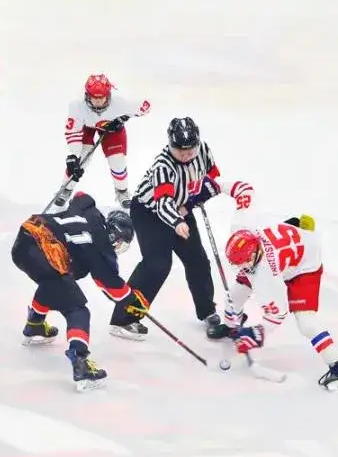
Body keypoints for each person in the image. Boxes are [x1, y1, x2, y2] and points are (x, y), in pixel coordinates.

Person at [107, 116, 254, 341]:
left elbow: (211, 178)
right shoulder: (163, 166)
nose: (185, 155)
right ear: (170, 145)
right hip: (150, 213)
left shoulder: (203, 150)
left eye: (190, 150)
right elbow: (163, 203)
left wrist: (196, 198)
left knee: (198, 260)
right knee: (157, 264)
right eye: (179, 150)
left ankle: (207, 311)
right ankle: (123, 319)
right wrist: (177, 221)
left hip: (182, 208)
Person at [11, 192, 143, 391]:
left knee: (54, 283)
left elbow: (81, 196)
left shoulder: (89, 212)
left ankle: (35, 324)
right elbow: (112, 286)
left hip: (26, 236)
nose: (118, 246)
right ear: (113, 234)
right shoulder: (100, 247)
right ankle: (80, 362)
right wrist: (131, 300)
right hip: (45, 250)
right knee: (78, 310)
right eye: (120, 241)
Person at [222, 215, 338, 391]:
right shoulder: (251, 245)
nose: (240, 268)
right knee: (235, 295)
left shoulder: (266, 273)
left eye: (243, 263)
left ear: (255, 254)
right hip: (291, 246)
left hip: (305, 266)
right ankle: (231, 328)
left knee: (307, 323)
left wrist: (257, 333)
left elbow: (278, 313)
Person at [50, 74, 151, 211]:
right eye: (94, 97)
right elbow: (73, 131)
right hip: (86, 127)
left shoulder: (119, 102)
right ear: (87, 95)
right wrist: (73, 155)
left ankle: (122, 191)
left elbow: (146, 106)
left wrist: (123, 117)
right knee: (79, 161)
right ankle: (66, 189)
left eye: (101, 97)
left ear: (108, 95)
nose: (98, 101)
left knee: (117, 161)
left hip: (111, 128)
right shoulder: (77, 105)